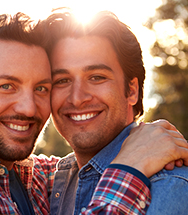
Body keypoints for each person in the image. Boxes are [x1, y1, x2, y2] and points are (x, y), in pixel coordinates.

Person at [0, 12, 187, 215]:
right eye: (7, 86)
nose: (29, 108)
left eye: (42, 87)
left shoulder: (41, 179)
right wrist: (129, 168)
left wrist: (148, 144)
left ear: (133, 90)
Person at [45, 10, 188, 214]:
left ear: (132, 91)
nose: (77, 98)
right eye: (62, 80)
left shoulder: (169, 185)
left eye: (96, 77)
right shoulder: (53, 183)